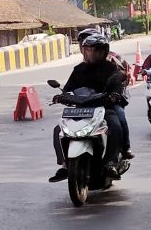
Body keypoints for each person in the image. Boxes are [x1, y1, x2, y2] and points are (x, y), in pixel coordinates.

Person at [49, 32, 128, 183]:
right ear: (83, 51)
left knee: (115, 125)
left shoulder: (110, 69)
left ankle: (110, 162)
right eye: (88, 50)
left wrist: (114, 95)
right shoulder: (78, 69)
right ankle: (65, 165)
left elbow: (117, 86)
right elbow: (68, 89)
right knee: (58, 130)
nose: (91, 54)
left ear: (103, 51)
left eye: (95, 50)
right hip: (79, 109)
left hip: (103, 108)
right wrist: (61, 96)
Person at [76, 26, 132, 157]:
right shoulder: (83, 62)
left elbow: (125, 75)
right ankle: (65, 164)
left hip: (110, 100)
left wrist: (115, 89)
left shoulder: (113, 58)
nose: (86, 46)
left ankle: (126, 147)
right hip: (88, 101)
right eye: (83, 43)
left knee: (120, 117)